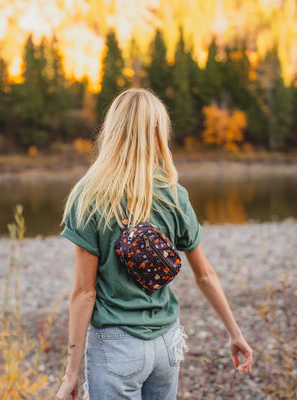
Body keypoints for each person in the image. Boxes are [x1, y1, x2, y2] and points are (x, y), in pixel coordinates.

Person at [55, 88, 252, 400]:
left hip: (116, 346)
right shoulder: (174, 193)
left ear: (113, 130)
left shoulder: (89, 196)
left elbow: (84, 292)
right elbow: (204, 275)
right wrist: (235, 333)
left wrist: (70, 375)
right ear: (157, 132)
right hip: (167, 345)